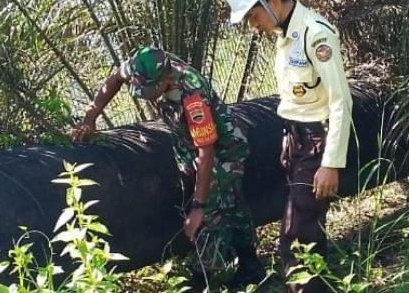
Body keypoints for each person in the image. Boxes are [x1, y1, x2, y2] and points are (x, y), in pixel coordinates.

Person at [69, 47, 266, 291]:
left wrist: (198, 207)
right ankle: (252, 267)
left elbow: (207, 152)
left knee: (212, 216)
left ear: (167, 78)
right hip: (190, 145)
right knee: (231, 206)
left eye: (151, 90)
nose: (148, 96)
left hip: (224, 150)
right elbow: (116, 78)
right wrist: (90, 117)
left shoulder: (193, 96)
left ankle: (203, 281)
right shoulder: (143, 64)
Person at [219, 0, 354, 293]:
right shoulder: (285, 36)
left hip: (318, 144)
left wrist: (330, 163)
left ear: (273, 3)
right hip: (296, 140)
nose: (254, 25)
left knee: (297, 236)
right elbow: (296, 97)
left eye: (254, 16)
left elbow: (340, 101)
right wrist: (287, 136)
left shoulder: (315, 34)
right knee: (303, 230)